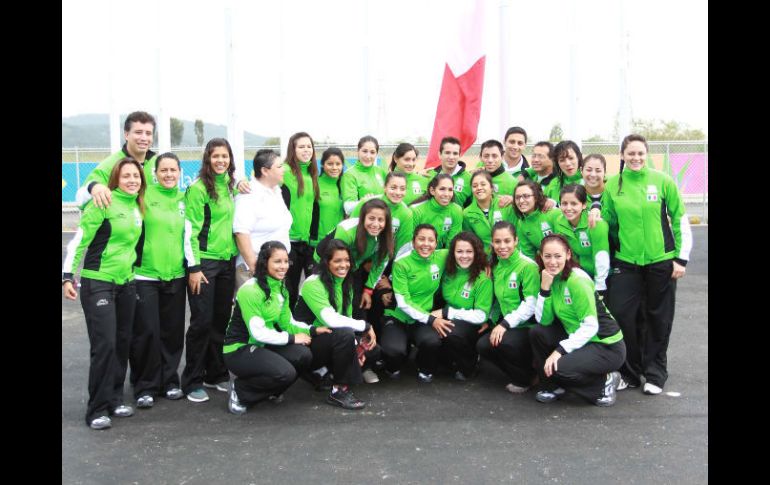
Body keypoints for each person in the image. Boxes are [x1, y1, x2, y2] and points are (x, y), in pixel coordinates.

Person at [601, 134, 692, 395]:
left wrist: (680, 258)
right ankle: (630, 373)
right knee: (622, 315)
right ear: (622, 155)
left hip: (661, 263)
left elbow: (679, 219)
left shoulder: (662, 181)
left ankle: (655, 373)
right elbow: (609, 222)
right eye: (631, 153)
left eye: (640, 153)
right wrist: (595, 210)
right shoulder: (613, 185)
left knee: (658, 318)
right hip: (627, 263)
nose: (636, 158)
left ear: (647, 154)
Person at [62, 157, 146, 430]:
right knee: (105, 345)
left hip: (126, 283)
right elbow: (79, 242)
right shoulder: (103, 203)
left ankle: (114, 399)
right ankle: (96, 409)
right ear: (115, 180)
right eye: (126, 176)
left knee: (122, 343)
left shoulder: (136, 207)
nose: (132, 180)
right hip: (99, 282)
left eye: (136, 176)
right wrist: (66, 277)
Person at [530, 234, 626, 407]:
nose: (552, 262)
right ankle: (552, 386)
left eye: (558, 256)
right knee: (537, 332)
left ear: (568, 254)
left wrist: (559, 350)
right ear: (541, 256)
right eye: (547, 256)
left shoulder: (577, 280)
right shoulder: (549, 277)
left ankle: (605, 381)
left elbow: (590, 326)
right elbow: (543, 321)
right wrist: (545, 289)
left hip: (606, 345)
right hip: (580, 339)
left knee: (560, 369)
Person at [223, 241, 315, 415]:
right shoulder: (250, 290)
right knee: (285, 373)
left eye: (286, 261)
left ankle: (270, 390)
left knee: (303, 356)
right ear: (265, 263)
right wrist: (292, 338)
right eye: (277, 261)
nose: (283, 266)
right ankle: (241, 391)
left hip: (262, 344)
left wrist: (312, 330)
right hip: (239, 349)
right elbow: (258, 333)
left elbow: (287, 323)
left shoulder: (281, 287)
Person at [182, 138, 238, 403]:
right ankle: (192, 380)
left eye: (224, 156)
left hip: (227, 262)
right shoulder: (198, 189)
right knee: (201, 322)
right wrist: (193, 267)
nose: (220, 161)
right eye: (216, 156)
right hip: (203, 264)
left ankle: (215, 374)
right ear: (207, 158)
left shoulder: (231, 185)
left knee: (220, 320)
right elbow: (190, 231)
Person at [130, 153, 187, 409]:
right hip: (145, 276)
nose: (168, 175)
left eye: (173, 170)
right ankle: (145, 385)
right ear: (155, 173)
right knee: (147, 332)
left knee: (173, 333)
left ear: (179, 172)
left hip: (176, 275)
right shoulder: (142, 195)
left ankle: (169, 381)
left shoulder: (184, 199)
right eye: (163, 170)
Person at [294, 239, 378, 409]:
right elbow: (331, 319)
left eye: (346, 260)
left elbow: (345, 318)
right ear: (326, 262)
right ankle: (338, 390)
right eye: (337, 261)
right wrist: (365, 325)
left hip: (329, 338)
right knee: (346, 336)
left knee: (374, 350)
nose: (343, 265)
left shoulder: (345, 282)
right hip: (307, 341)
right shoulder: (313, 283)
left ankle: (323, 373)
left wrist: (355, 347)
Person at [380, 224, 450, 382]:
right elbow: (403, 302)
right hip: (399, 316)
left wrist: (485, 265)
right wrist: (432, 319)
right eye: (421, 239)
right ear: (413, 241)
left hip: (422, 318)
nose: (426, 244)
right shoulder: (401, 263)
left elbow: (467, 253)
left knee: (432, 342)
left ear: (436, 243)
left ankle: (424, 367)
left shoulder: (442, 256)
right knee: (394, 351)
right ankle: (393, 366)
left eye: (431, 240)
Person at [476, 221, 540, 394]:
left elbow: (531, 304)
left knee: (505, 343)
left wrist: (504, 325)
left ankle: (527, 376)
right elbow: (496, 300)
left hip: (529, 326)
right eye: (497, 242)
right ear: (492, 243)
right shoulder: (495, 266)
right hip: (508, 325)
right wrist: (489, 320)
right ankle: (525, 375)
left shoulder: (528, 266)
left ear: (516, 241)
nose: (502, 246)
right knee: (483, 345)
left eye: (507, 241)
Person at [314, 198, 394, 319]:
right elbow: (336, 261)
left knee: (356, 306)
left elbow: (379, 264)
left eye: (381, 220)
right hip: (326, 261)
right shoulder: (347, 231)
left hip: (353, 265)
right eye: (371, 218)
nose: (376, 224)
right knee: (333, 301)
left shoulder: (386, 235)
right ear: (363, 218)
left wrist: (368, 290)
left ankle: (357, 333)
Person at [432, 232, 492, 380]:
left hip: (472, 323)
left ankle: (470, 364)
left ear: (476, 252)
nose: (464, 256)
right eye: (459, 251)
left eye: (469, 251)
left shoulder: (483, 278)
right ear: (452, 253)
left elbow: (480, 315)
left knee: (451, 332)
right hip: (449, 317)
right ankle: (447, 362)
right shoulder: (448, 271)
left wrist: (447, 313)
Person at [233, 149, 292, 291]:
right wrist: (256, 270)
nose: (283, 170)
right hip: (254, 272)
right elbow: (241, 233)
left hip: (275, 270)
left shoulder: (276, 191)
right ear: (265, 171)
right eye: (279, 167)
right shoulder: (249, 195)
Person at [76, 111, 157, 209]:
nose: (144, 138)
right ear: (126, 135)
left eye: (148, 133)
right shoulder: (111, 164)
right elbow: (80, 200)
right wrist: (93, 187)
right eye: (138, 132)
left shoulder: (158, 164)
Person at [279, 133, 321, 308]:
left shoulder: (312, 175)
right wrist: (239, 184)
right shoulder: (285, 171)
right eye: (301, 147)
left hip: (307, 243)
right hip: (289, 242)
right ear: (293, 149)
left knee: (313, 289)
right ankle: (285, 332)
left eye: (309, 146)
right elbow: (260, 179)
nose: (306, 150)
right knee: (290, 290)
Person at [553, 184, 610, 294]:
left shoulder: (596, 224)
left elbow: (601, 255)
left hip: (604, 277)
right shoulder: (559, 222)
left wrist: (600, 286)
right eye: (564, 204)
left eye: (574, 203)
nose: (568, 208)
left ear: (584, 205)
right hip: (580, 274)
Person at [351, 171, 414, 257]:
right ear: (385, 187)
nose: (398, 192)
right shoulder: (366, 202)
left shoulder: (406, 214)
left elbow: (402, 248)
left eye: (402, 189)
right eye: (393, 188)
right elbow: (351, 230)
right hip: (356, 254)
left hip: (382, 259)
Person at [462, 170, 515, 255]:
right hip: (485, 260)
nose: (479, 188)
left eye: (483, 184)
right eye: (475, 186)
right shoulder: (467, 213)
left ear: (491, 187)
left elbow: (516, 233)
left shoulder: (505, 205)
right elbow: (471, 242)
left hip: (508, 256)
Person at [410, 173, 463, 249]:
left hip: (440, 255)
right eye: (442, 189)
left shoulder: (456, 210)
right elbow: (409, 244)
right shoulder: (416, 210)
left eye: (450, 190)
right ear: (432, 191)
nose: (447, 194)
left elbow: (452, 243)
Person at [512, 180, 560, 259]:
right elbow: (528, 254)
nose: (521, 201)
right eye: (517, 197)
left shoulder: (553, 214)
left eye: (526, 196)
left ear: (536, 197)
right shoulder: (521, 223)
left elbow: (565, 246)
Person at [341, 135, 386, 215]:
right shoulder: (349, 174)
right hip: (361, 223)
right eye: (364, 151)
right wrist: (366, 201)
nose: (368, 156)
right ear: (358, 151)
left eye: (372, 152)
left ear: (376, 154)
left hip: (382, 221)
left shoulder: (381, 172)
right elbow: (348, 208)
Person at [311, 147, 346, 247]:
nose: (334, 168)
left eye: (338, 164)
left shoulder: (344, 185)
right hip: (317, 243)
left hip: (339, 241)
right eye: (330, 164)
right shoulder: (314, 184)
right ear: (322, 165)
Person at [426, 136, 473, 208]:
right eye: (447, 153)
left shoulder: (469, 179)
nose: (451, 157)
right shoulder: (429, 175)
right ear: (440, 155)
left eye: (455, 153)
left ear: (459, 155)